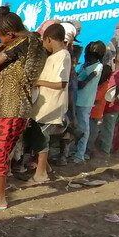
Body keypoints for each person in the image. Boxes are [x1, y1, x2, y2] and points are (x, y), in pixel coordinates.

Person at [0, 5, 46, 211]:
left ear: (10, 34)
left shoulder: (21, 44)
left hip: (10, 107)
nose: (1, 42)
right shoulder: (35, 42)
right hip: (14, 107)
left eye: (2, 38)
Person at [26, 23, 70, 184]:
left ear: (49, 39)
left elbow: (61, 83)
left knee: (42, 140)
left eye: (45, 42)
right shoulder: (56, 56)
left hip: (50, 106)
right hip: (43, 107)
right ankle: (45, 168)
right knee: (39, 137)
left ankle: (40, 174)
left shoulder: (63, 56)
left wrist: (39, 82)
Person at [72, 41, 106, 163]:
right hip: (76, 99)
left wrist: (75, 77)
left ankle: (80, 154)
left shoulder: (97, 67)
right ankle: (74, 150)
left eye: (89, 55)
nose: (87, 57)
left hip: (84, 101)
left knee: (83, 128)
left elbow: (81, 84)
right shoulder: (85, 65)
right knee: (75, 127)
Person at [98, 50, 119, 155]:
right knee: (109, 128)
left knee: (107, 129)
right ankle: (106, 148)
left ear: (114, 60)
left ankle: (105, 150)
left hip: (111, 105)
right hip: (116, 105)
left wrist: (114, 99)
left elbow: (116, 88)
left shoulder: (116, 74)